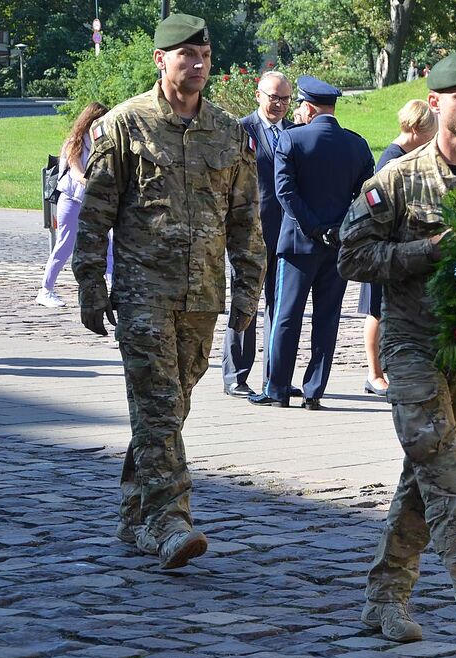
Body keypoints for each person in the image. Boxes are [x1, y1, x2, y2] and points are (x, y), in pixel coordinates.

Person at [337, 53, 456, 652]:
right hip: (414, 346)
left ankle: (383, 599)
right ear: (435, 101)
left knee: (426, 478)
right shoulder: (398, 178)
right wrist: (425, 252)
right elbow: (351, 256)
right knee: (448, 477)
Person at [72, 13, 265, 570]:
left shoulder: (229, 133)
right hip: (142, 293)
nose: (198, 64)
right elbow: (96, 213)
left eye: (204, 55)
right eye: (187, 55)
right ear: (162, 60)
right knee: (158, 408)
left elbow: (246, 221)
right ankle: (170, 520)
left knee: (168, 410)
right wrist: (91, 281)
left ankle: (134, 515)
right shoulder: (127, 125)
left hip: (202, 297)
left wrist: (248, 292)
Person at [248, 76, 374, 411]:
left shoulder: (291, 140)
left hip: (298, 245)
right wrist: (339, 228)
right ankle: (314, 390)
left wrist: (315, 228)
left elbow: (285, 193)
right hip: (338, 246)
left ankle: (276, 389)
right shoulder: (357, 144)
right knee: (327, 318)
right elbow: (366, 197)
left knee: (286, 316)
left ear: (307, 107)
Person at [222, 71, 300, 399]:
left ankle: (276, 378)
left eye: (285, 98)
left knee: (280, 307)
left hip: (286, 234)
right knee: (246, 304)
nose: (279, 104)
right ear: (258, 96)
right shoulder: (241, 130)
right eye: (273, 97)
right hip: (248, 233)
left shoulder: (297, 134)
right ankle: (236, 376)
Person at [358, 99, 437, 398]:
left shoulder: (410, 156)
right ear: (416, 129)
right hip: (383, 249)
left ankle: (394, 369)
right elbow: (378, 209)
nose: (432, 140)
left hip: (401, 249)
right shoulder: (391, 160)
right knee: (376, 311)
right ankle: (374, 374)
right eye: (430, 134)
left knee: (392, 311)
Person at [35, 102, 111, 307]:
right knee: (65, 245)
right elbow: (77, 172)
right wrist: (92, 183)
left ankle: (112, 288)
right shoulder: (74, 142)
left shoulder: (103, 142)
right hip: (71, 199)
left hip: (94, 201)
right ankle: (46, 290)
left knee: (109, 243)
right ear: (89, 121)